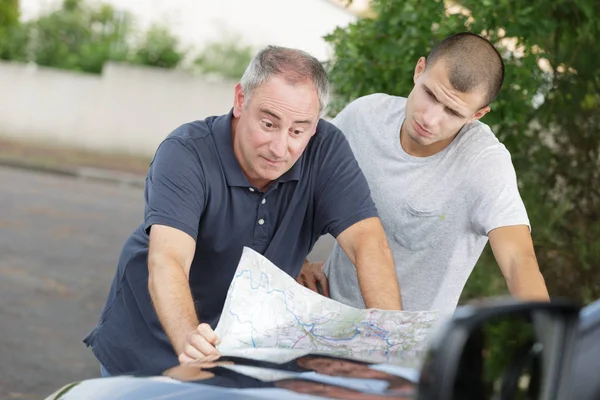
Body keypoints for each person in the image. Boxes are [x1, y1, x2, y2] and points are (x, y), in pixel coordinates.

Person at [83, 45, 402, 377]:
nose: (280, 148)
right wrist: (189, 339)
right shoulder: (185, 152)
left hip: (243, 350)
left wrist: (395, 345)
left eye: (298, 130)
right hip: (148, 343)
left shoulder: (326, 150)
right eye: (268, 124)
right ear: (240, 101)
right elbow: (168, 259)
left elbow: (368, 243)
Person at [297, 32, 549, 316]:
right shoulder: (365, 116)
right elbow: (298, 182)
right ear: (419, 71)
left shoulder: (484, 163)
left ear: (477, 115)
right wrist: (297, 262)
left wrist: (548, 340)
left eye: (453, 112)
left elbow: (518, 260)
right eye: (430, 94)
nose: (430, 119)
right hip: (324, 316)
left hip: (408, 350)